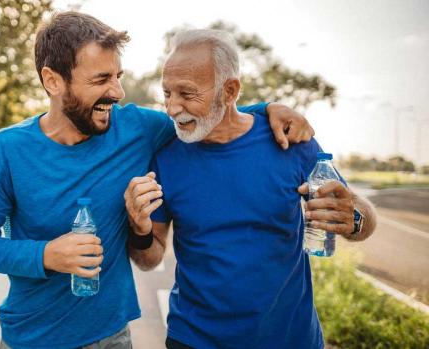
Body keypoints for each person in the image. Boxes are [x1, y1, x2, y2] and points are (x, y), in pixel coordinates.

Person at [0, 12, 315, 349]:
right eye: (101, 79)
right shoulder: (4, 151)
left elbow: (211, 116)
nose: (117, 92)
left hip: (111, 335)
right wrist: (46, 254)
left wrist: (267, 109)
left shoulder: (138, 129)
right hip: (31, 337)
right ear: (53, 81)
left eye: (118, 76)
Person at [124, 29, 377, 349]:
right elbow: (149, 258)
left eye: (186, 94)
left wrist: (354, 217)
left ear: (229, 91)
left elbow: (362, 221)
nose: (173, 108)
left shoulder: (291, 141)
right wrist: (140, 228)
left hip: (291, 340)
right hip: (194, 340)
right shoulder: (166, 158)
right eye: (167, 93)